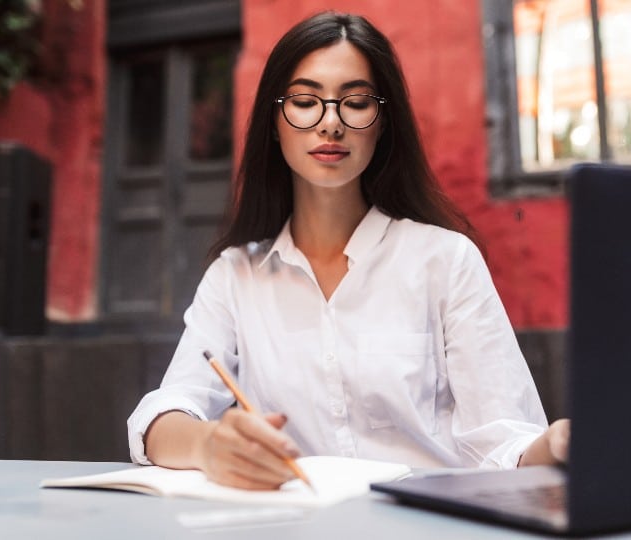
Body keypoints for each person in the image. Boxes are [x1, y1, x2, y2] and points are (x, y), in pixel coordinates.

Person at [127, 11, 569, 490]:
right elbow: (163, 415)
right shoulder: (236, 276)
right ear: (274, 123)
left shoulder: (445, 260)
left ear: (382, 124)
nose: (331, 123)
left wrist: (562, 444)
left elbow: (507, 441)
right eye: (304, 101)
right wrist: (209, 445)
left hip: (423, 525)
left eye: (356, 102)